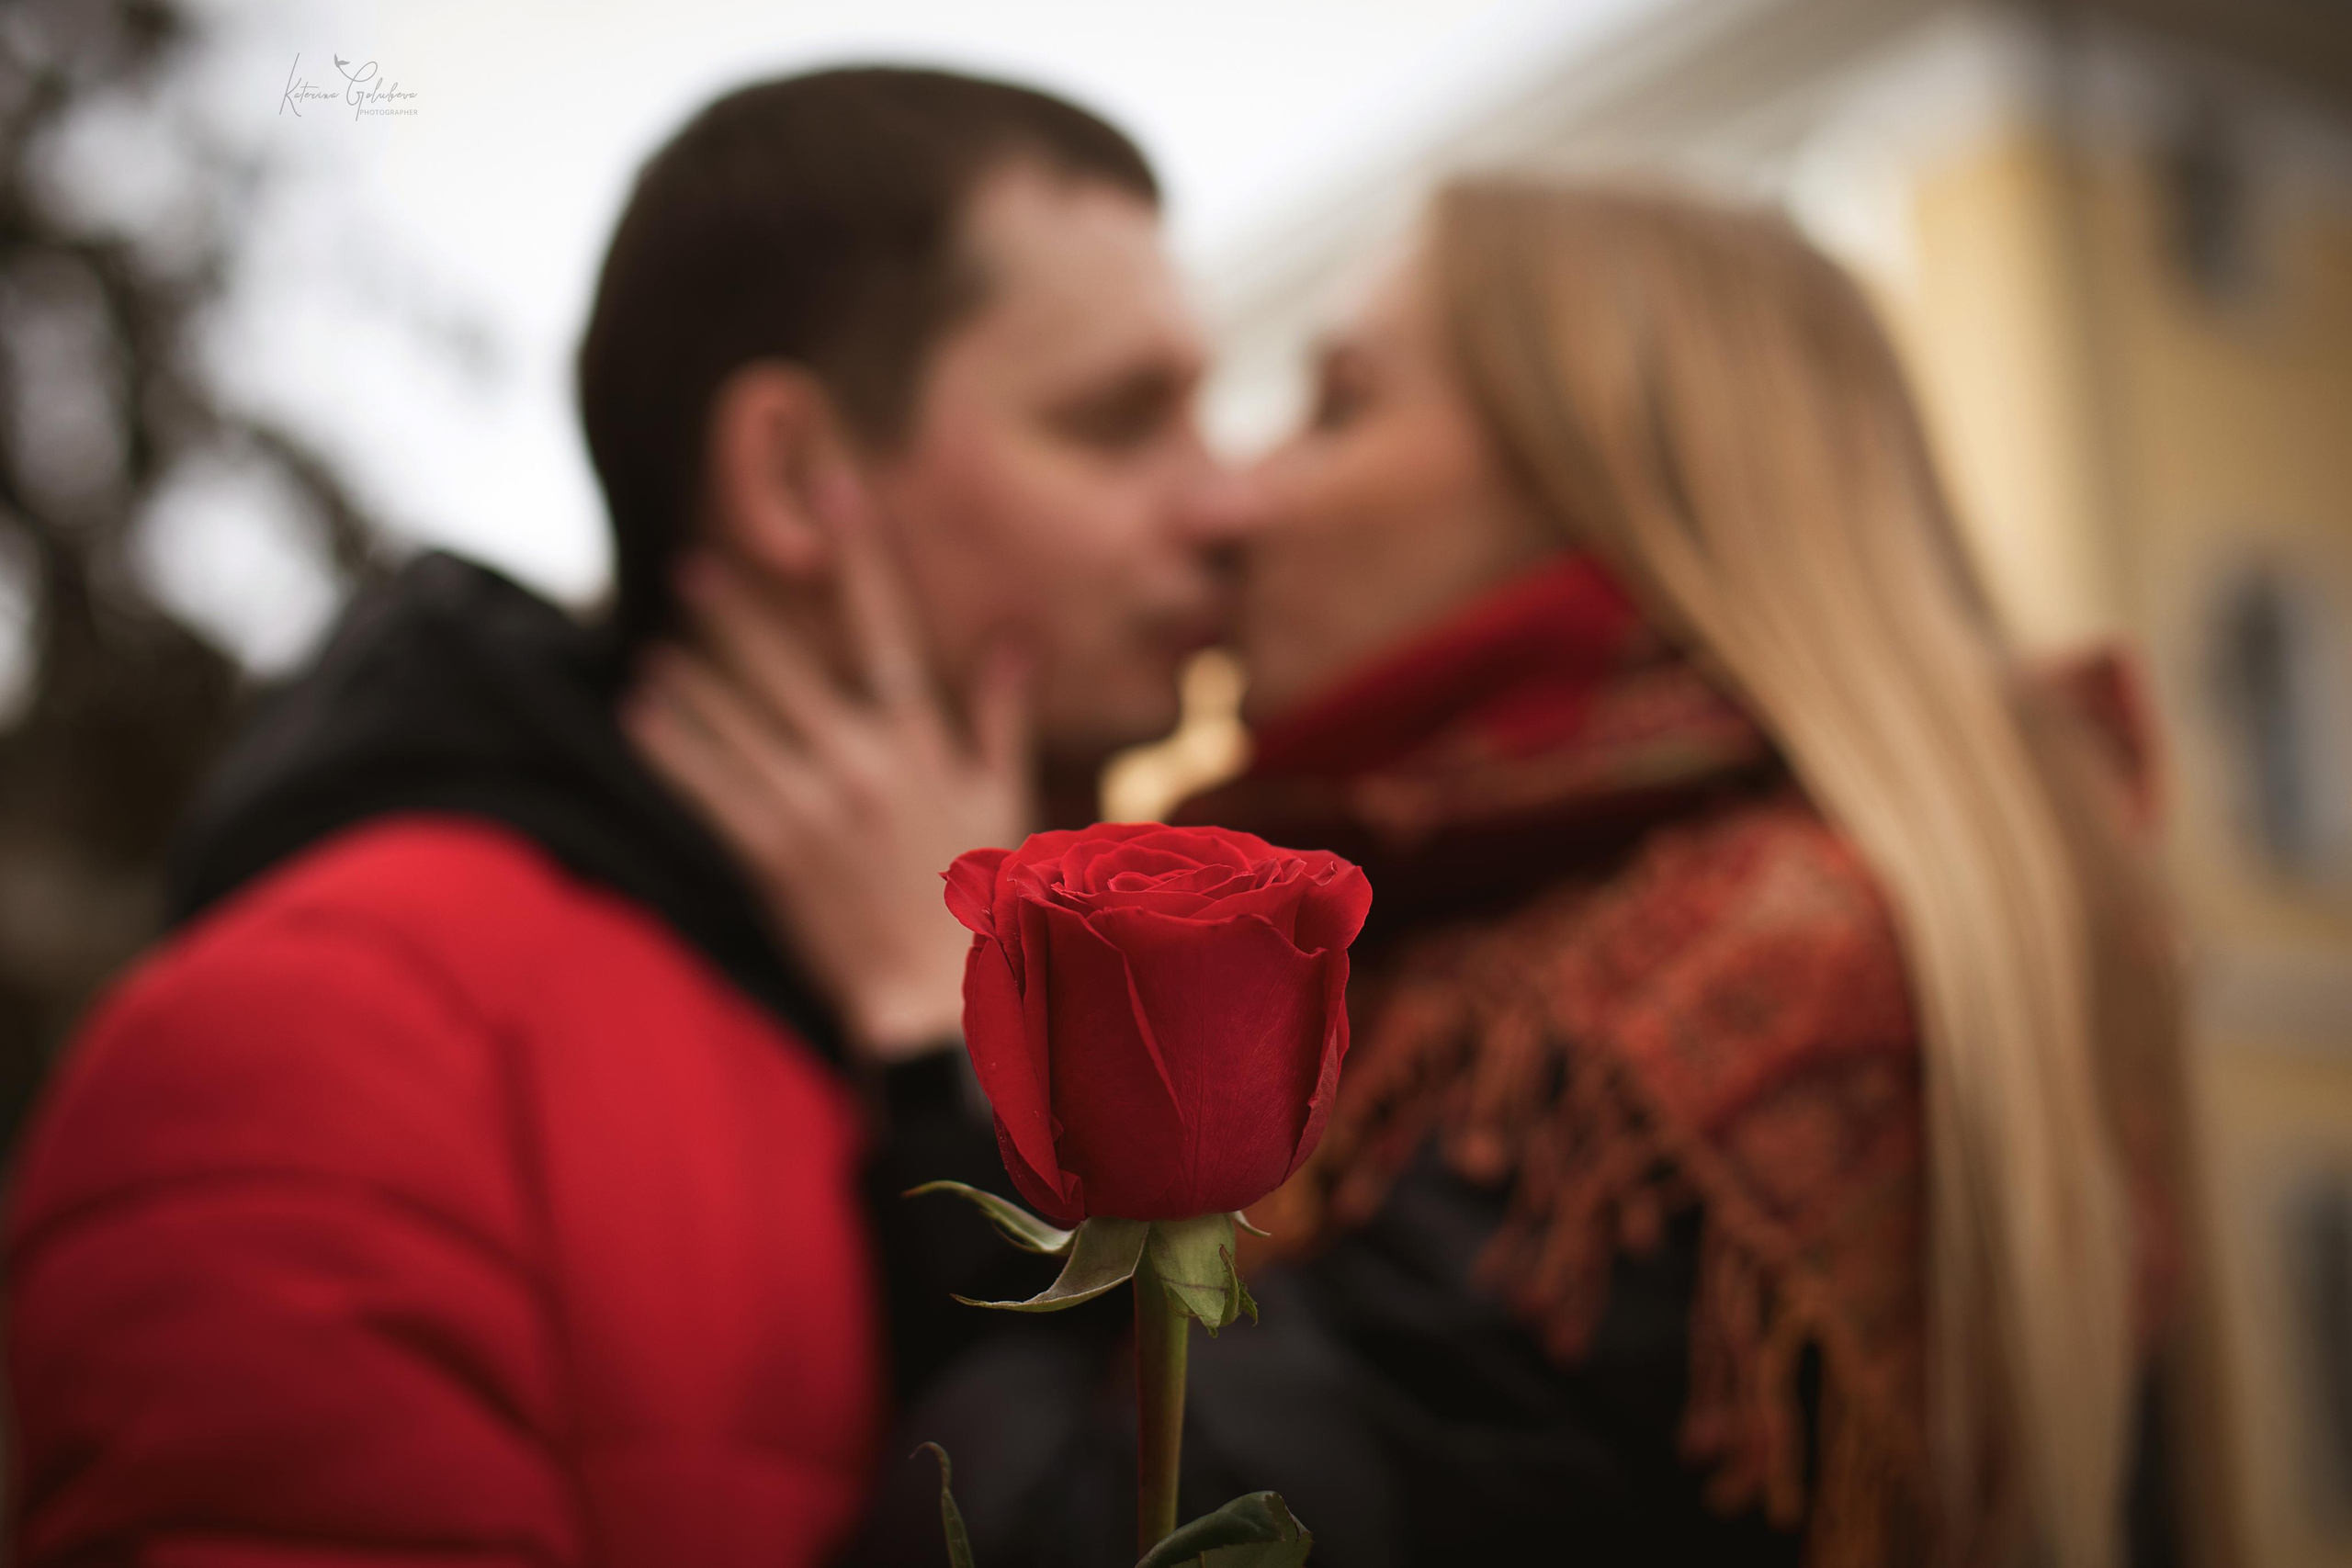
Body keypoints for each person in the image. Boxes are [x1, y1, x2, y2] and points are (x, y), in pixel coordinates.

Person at [670, 182, 2228, 1568]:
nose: (1232, 502)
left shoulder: (1704, 1015)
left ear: (1604, 480)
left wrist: (937, 1038)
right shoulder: (1596, 924)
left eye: (1335, 406)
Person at [4, 66, 1244, 1566]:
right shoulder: (335, 1026)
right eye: (1119, 424)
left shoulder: (999, 995)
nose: (1225, 504)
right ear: (797, 476)